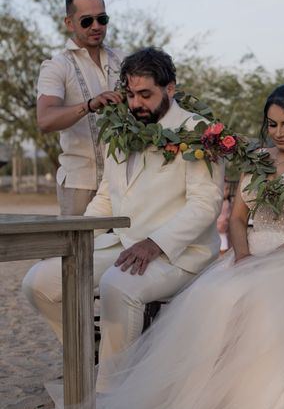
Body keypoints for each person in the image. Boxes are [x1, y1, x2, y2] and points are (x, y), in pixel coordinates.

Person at [44, 83, 284, 409]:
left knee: (260, 305)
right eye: (272, 124)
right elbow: (238, 218)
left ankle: (252, 397)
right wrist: (244, 257)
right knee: (213, 298)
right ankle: (205, 393)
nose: (278, 133)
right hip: (249, 252)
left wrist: (272, 262)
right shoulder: (258, 158)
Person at [23, 48, 225, 386]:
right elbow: (107, 196)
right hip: (118, 243)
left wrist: (155, 243)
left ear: (170, 89)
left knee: (118, 286)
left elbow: (205, 204)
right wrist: (77, 238)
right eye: (130, 94)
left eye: (145, 94)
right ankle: (91, 352)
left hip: (178, 252)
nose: (135, 104)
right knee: (38, 282)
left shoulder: (198, 131)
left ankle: (109, 394)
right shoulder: (119, 126)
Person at [36, 0, 125, 215]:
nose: (96, 26)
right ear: (69, 23)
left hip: (123, 183)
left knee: (123, 250)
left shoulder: (124, 61)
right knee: (79, 251)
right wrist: (89, 105)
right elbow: (45, 120)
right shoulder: (57, 66)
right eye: (86, 21)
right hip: (79, 184)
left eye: (102, 19)